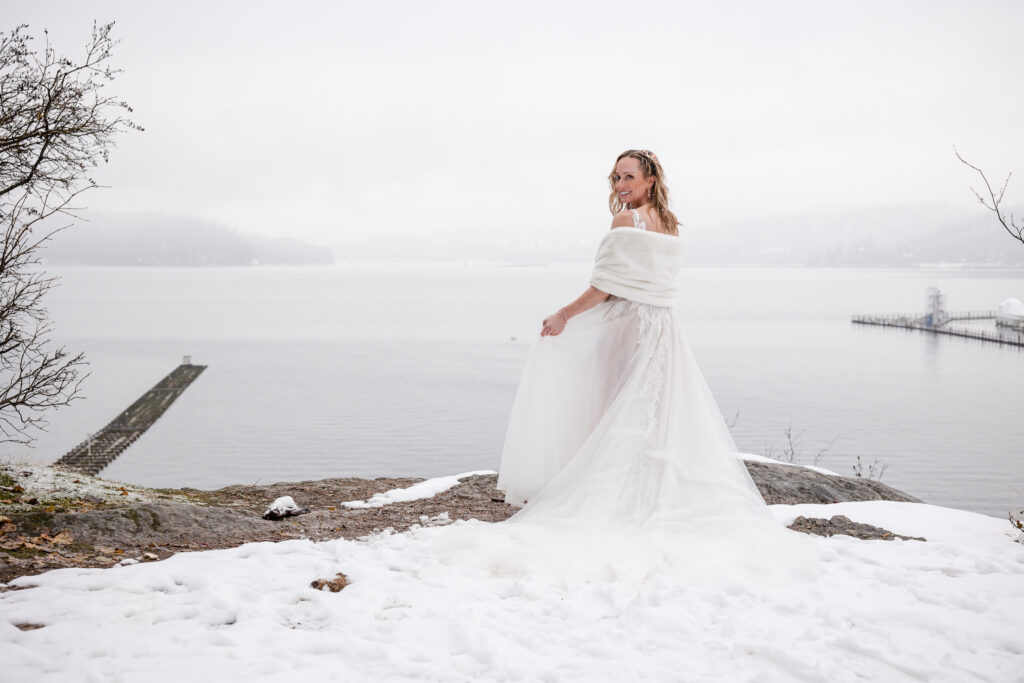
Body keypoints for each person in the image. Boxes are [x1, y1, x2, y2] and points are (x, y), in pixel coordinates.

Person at [496, 149, 772, 534]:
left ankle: (612, 493)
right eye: (615, 178)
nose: (621, 185)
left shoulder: (626, 220)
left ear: (650, 180)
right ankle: (650, 490)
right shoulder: (670, 223)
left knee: (614, 406)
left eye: (628, 177)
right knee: (653, 412)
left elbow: (605, 287)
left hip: (629, 326)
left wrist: (564, 314)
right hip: (663, 326)